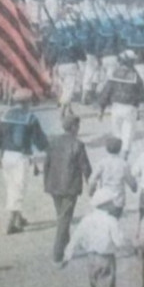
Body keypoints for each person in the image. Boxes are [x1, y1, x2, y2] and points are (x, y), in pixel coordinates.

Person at [62, 189, 133, 287]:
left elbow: (75, 238)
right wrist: (131, 247)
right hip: (105, 259)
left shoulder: (87, 219)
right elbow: (119, 242)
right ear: (105, 205)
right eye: (112, 202)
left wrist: (67, 256)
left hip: (91, 259)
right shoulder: (111, 220)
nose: (114, 204)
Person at [0, 88, 49, 235]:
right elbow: (40, 141)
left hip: (6, 156)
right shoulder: (31, 118)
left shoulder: (5, 115)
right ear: (27, 102)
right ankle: (12, 222)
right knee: (19, 188)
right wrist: (48, 149)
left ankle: (19, 217)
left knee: (11, 186)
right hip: (21, 157)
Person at [42, 113, 92, 264]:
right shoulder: (78, 144)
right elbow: (86, 168)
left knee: (62, 216)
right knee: (64, 219)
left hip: (54, 185)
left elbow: (46, 164)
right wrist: (92, 184)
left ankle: (68, 244)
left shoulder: (52, 142)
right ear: (73, 127)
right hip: (70, 187)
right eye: (78, 126)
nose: (78, 129)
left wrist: (46, 183)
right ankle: (58, 253)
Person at [98, 50, 144, 156]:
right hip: (130, 108)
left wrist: (101, 109)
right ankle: (125, 153)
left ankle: (116, 153)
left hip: (116, 107)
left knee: (117, 133)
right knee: (128, 133)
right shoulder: (135, 76)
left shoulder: (115, 73)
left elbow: (106, 92)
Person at [89, 136, 137, 217]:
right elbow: (132, 183)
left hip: (104, 199)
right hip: (118, 200)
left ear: (106, 148)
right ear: (120, 148)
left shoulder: (102, 163)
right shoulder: (123, 164)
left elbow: (93, 180)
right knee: (114, 223)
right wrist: (134, 188)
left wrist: (91, 191)